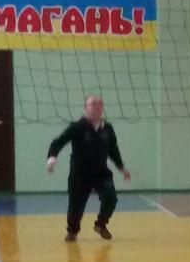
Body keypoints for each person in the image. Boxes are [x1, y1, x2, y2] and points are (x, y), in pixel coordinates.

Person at [46, 95, 131, 241]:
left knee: (110, 198)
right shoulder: (77, 127)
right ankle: (72, 231)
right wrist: (52, 159)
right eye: (93, 104)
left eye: (99, 103)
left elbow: (113, 150)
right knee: (76, 205)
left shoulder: (108, 129)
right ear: (86, 108)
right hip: (79, 174)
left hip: (101, 173)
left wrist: (122, 168)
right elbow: (58, 142)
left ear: (102, 108)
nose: (96, 106)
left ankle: (100, 224)